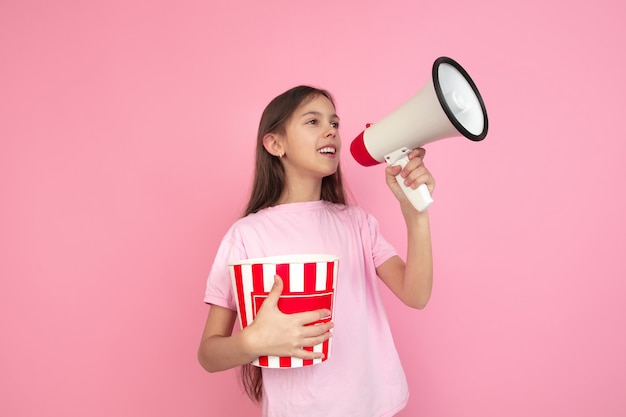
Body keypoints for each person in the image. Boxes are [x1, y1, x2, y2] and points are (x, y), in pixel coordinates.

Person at [198, 85, 434, 417]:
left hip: (373, 407)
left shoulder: (356, 223)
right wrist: (250, 343)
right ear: (275, 143)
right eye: (313, 122)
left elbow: (416, 294)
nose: (331, 132)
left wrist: (416, 214)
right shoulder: (246, 236)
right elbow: (208, 354)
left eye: (335, 124)